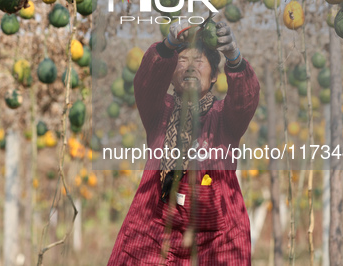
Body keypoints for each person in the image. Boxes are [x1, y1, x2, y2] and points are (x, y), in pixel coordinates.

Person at [108, 21, 260, 265]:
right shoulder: (159, 111)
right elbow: (146, 83)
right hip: (153, 231)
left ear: (214, 78)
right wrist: (168, 46)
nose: (190, 67)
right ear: (170, 76)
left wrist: (234, 58)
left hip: (217, 239)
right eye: (182, 61)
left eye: (199, 61)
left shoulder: (225, 118)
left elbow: (244, 101)